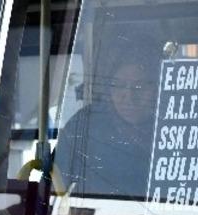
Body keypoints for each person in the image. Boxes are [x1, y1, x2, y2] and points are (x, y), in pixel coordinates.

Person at [54, 51, 160, 199]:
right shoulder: (86, 124)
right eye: (119, 86)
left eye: (139, 87)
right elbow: (52, 188)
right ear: (109, 90)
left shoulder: (175, 126)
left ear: (157, 88)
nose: (128, 97)